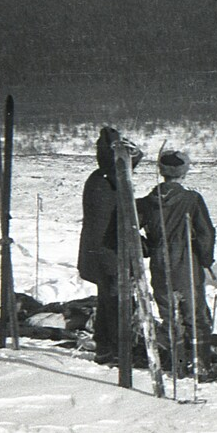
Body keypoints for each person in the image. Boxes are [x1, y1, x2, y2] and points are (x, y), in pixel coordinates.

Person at [137, 150, 216, 375]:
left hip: (160, 265)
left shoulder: (147, 202)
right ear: (183, 173)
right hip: (186, 263)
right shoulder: (192, 200)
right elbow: (205, 234)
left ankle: (178, 364)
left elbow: (131, 230)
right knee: (194, 314)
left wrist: (147, 248)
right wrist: (206, 258)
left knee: (169, 315)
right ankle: (199, 365)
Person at [77, 127, 143, 364]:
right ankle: (118, 350)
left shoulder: (99, 178)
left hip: (99, 253)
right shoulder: (112, 181)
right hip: (109, 253)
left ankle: (105, 348)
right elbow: (120, 220)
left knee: (107, 300)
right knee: (116, 302)